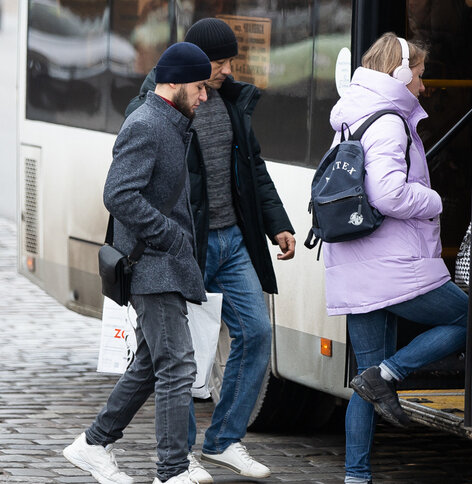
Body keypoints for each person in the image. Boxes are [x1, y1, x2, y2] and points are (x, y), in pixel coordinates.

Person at [125, 18, 296, 482]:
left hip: (234, 240)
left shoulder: (233, 100)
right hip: (188, 246)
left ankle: (224, 440)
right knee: (182, 354)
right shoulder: (159, 105)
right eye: (218, 62)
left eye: (229, 60)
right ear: (192, 65)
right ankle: (181, 455)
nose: (226, 70)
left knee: (257, 332)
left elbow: (252, 166)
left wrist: (277, 224)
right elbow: (134, 185)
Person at [62, 42, 211, 484]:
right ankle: (172, 471)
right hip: (152, 265)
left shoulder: (170, 123)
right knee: (178, 365)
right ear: (178, 82)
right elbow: (118, 194)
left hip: (162, 263)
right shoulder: (147, 123)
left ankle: (92, 444)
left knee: (151, 364)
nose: (204, 97)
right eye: (201, 88)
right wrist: (170, 236)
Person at [323, 32, 468, 484]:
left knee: (365, 381)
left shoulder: (351, 115)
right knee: (470, 318)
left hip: (355, 266)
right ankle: (392, 371)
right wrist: (435, 200)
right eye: (420, 77)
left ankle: (356, 478)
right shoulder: (389, 121)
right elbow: (387, 194)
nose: (423, 87)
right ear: (400, 74)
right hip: (393, 268)